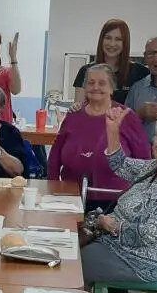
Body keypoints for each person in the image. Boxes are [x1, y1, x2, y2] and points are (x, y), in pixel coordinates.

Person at [81, 108, 157, 286]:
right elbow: (119, 164)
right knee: (69, 251)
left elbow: (151, 234)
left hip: (140, 262)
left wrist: (113, 227)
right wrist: (113, 130)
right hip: (116, 247)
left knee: (73, 263)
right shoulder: (154, 167)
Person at [49, 64, 151, 207]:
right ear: (85, 87)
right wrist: (52, 188)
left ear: (112, 88)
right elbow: (54, 156)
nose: (96, 87)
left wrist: (139, 199)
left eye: (102, 83)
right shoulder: (73, 116)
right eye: (91, 82)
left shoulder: (126, 116)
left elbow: (145, 161)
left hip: (115, 202)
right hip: (70, 198)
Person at [73, 19, 150, 107]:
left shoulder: (140, 72)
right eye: (108, 38)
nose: (112, 44)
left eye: (118, 39)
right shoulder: (85, 71)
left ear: (125, 43)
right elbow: (78, 109)